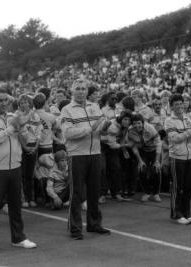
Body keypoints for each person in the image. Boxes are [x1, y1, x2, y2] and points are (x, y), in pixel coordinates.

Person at [0, 87, 37, 254]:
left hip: (15, 165)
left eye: (6, 100)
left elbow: (26, 138)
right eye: (0, 100)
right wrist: (10, 130)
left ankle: (18, 238)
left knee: (15, 204)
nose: (4, 103)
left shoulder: (13, 117)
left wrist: (23, 129)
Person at [61, 80, 111, 240]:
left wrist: (105, 127)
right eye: (78, 89)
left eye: (83, 89)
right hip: (77, 155)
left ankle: (94, 224)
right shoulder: (66, 110)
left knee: (94, 190)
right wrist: (91, 128)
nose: (81, 91)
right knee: (76, 193)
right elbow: (68, 133)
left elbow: (100, 130)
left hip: (95, 152)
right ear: (72, 91)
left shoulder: (94, 107)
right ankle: (75, 229)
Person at [165, 93, 191, 224]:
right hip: (177, 157)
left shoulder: (188, 119)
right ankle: (176, 214)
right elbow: (175, 139)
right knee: (178, 187)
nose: (179, 106)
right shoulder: (169, 121)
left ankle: (186, 213)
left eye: (180, 103)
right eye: (176, 104)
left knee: (189, 187)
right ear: (171, 106)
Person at [128, 114, 162, 202]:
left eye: (139, 123)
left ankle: (156, 193)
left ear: (142, 123)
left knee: (156, 169)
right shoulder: (130, 131)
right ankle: (146, 192)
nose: (137, 126)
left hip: (154, 150)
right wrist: (139, 160)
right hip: (142, 150)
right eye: (134, 123)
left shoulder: (150, 128)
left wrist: (157, 160)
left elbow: (158, 144)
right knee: (141, 169)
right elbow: (134, 147)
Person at [17, 94, 42, 208]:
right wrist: (24, 146)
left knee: (30, 174)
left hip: (33, 146)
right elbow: (18, 133)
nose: (24, 104)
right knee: (22, 173)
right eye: (21, 103)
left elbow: (38, 132)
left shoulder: (35, 115)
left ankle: (31, 197)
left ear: (29, 103)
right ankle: (24, 198)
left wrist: (36, 146)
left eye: (25, 102)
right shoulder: (17, 116)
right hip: (22, 147)